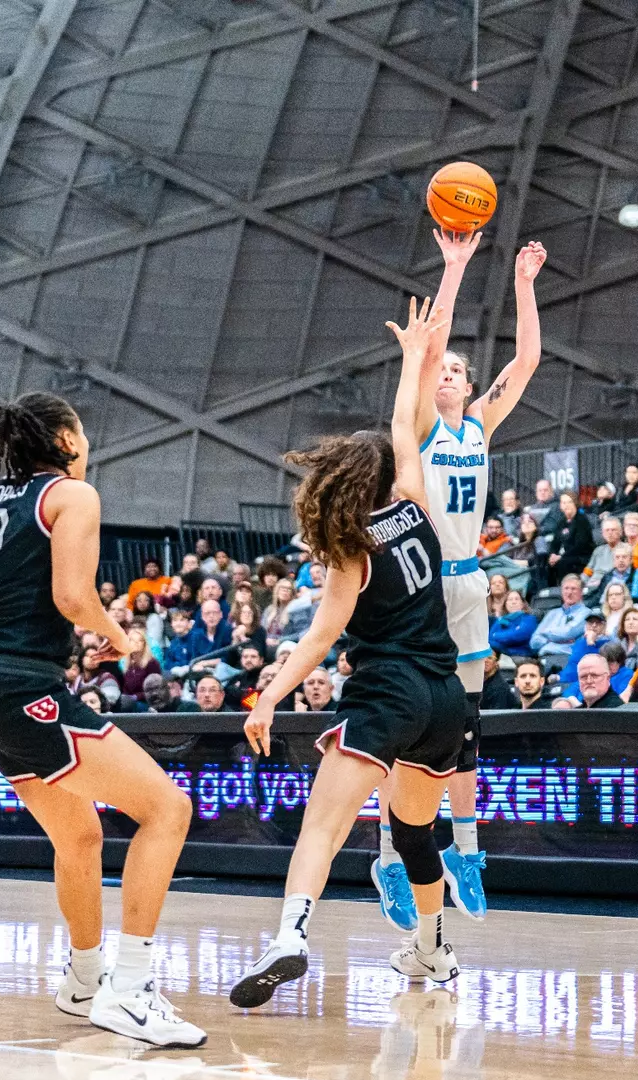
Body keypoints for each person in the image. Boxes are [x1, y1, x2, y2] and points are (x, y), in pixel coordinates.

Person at [0, 392, 203, 1046]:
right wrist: (119, 636)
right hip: (24, 686)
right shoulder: (72, 496)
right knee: (168, 809)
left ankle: (83, 980)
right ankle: (130, 991)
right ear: (67, 440)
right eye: (84, 434)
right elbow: (72, 597)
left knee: (77, 836)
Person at [232, 297, 477, 1011]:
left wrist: (269, 696)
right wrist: (415, 360)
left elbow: (318, 638)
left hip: (390, 692)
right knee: (414, 830)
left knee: (324, 824)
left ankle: (289, 935)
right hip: (445, 699)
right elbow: (403, 426)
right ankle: (432, 948)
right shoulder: (417, 505)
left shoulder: (350, 550)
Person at [531, 575, 589, 661]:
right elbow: (533, 642)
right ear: (561, 591)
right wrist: (550, 640)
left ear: (581, 592)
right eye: (566, 588)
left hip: (568, 658)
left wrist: (544, 633)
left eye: (573, 589)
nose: (569, 592)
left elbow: (568, 633)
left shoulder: (586, 613)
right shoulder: (552, 613)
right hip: (545, 658)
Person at [555, 653, 625, 709]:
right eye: (583, 676)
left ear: (608, 678)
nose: (589, 681)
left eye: (595, 675)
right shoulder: (580, 711)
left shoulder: (616, 710)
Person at [488, 589, 537, 658]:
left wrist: (497, 635)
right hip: (501, 655)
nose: (513, 602)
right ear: (505, 604)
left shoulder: (529, 618)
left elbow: (520, 635)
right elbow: (490, 639)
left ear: (522, 603)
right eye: (510, 600)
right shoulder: (500, 620)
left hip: (522, 656)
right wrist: (513, 632)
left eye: (517, 599)